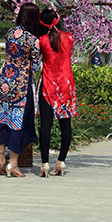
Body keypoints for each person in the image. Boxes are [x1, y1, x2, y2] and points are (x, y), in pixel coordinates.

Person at [0, 3, 41, 178]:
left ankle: (0, 160)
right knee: (17, 123)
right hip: (21, 86)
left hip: (5, 83)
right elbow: (37, 66)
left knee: (2, 120)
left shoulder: (9, 33)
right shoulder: (33, 40)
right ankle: (13, 164)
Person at [37, 9, 77, 177]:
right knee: (65, 125)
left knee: (46, 125)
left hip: (48, 85)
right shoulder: (69, 38)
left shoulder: (42, 41)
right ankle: (61, 161)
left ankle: (45, 164)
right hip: (66, 85)